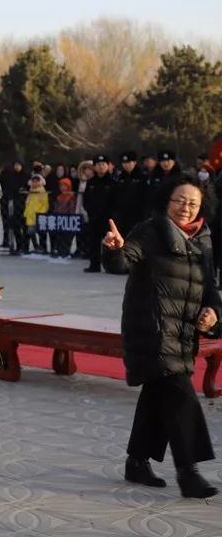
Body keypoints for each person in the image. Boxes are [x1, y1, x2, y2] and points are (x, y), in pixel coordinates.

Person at [104, 177, 221, 497]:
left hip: (183, 334)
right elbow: (123, 260)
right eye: (180, 200)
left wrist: (214, 312)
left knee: (157, 396)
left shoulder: (204, 239)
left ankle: (137, 461)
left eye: (193, 203)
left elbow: (211, 287)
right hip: (151, 331)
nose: (186, 208)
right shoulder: (151, 231)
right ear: (167, 201)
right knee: (181, 396)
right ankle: (189, 473)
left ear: (202, 207)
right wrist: (114, 250)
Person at [83, 154, 117, 272]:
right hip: (94, 217)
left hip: (108, 218)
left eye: (103, 164)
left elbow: (117, 200)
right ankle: (94, 265)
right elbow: (85, 200)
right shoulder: (91, 182)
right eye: (98, 164)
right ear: (95, 167)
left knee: (110, 244)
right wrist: (90, 211)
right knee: (93, 242)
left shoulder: (113, 182)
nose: (101, 166)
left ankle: (111, 265)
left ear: (108, 166)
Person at [113, 151, 148, 235]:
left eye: (129, 162)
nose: (126, 165)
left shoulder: (142, 177)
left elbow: (146, 196)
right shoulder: (120, 178)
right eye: (124, 163)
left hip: (138, 215)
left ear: (135, 162)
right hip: (122, 216)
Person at [0, 161, 28, 250]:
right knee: (13, 225)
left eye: (18, 165)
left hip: (23, 204)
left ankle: (24, 245)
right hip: (10, 203)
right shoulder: (10, 176)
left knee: (24, 225)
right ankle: (17, 244)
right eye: (15, 165)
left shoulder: (26, 176)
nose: (17, 167)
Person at [51, 177, 78, 257]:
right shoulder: (59, 197)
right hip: (59, 219)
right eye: (61, 186)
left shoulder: (72, 197)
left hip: (68, 220)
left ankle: (66, 251)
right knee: (59, 236)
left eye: (64, 185)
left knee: (67, 237)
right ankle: (59, 251)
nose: (62, 188)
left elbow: (72, 208)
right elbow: (56, 208)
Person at [23, 174, 49, 255]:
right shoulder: (31, 191)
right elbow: (28, 203)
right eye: (33, 181)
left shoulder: (42, 191)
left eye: (36, 181)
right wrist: (26, 212)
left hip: (38, 215)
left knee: (41, 232)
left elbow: (45, 204)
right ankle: (36, 246)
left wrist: (40, 213)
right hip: (30, 215)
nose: (34, 183)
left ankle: (43, 247)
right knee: (30, 232)